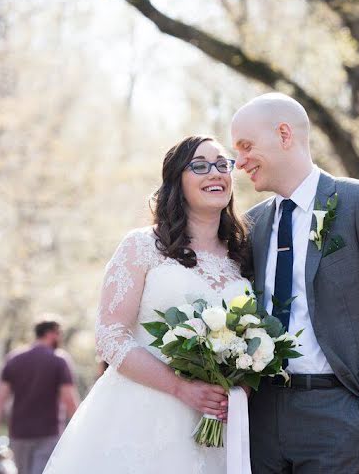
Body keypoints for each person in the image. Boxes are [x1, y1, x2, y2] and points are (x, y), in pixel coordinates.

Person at [231, 93, 359, 473]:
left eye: (246, 146)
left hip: (338, 416)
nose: (239, 162)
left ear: (284, 134)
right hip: (260, 417)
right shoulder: (252, 225)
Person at [39, 135, 252, 473]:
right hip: (142, 415)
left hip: (217, 427)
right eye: (199, 165)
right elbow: (110, 336)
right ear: (176, 181)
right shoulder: (141, 247)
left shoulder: (243, 256)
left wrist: (238, 385)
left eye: (222, 164)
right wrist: (180, 387)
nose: (215, 173)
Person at [0, 319, 79, 474]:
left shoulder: (14, 359)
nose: (60, 338)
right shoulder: (59, 361)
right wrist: (79, 430)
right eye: (59, 333)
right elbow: (69, 400)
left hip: (19, 434)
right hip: (48, 433)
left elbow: (0, 400)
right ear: (50, 333)